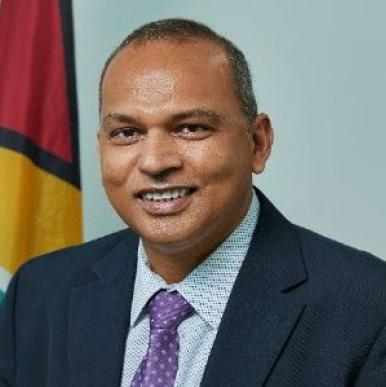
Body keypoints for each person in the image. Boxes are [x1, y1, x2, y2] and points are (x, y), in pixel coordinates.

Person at [1, 18, 386, 387]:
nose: (154, 161)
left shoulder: (368, 308)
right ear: (101, 147)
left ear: (258, 143)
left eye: (190, 128)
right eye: (127, 132)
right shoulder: (39, 294)